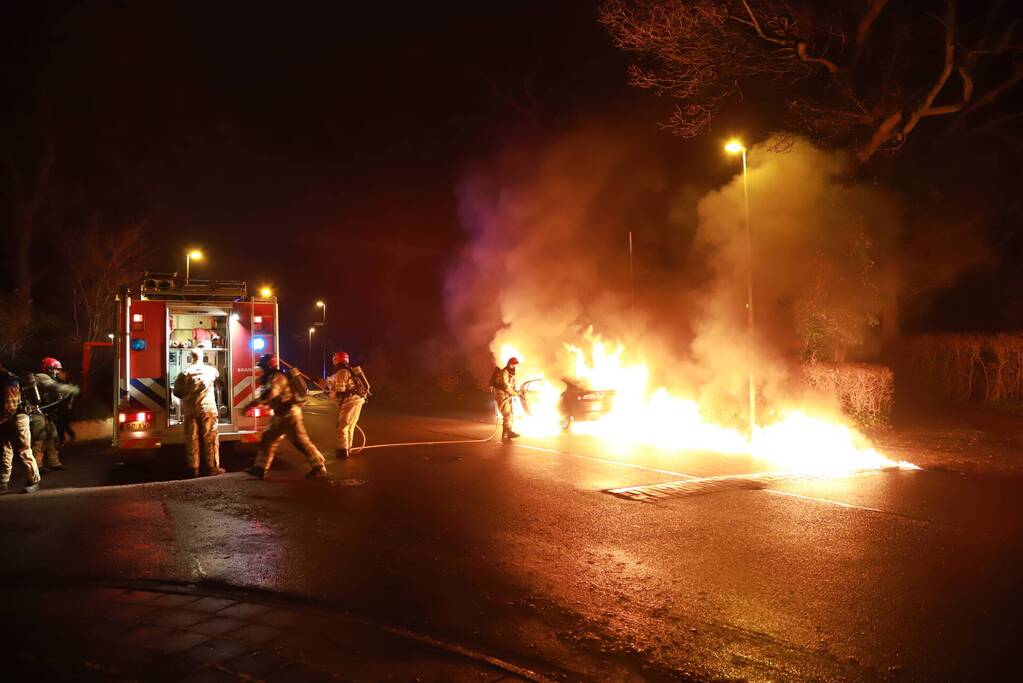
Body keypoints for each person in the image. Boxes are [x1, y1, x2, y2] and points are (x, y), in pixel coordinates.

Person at [244, 354, 327, 479]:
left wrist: (251, 404)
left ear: (268, 366)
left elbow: (269, 394)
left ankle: (319, 467)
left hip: (289, 415)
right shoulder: (272, 377)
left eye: (262, 368)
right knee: (267, 438)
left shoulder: (277, 377)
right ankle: (260, 468)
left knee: (302, 442)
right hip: (281, 415)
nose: (260, 371)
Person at [172, 350, 224, 477]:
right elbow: (218, 380)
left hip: (190, 410)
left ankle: (193, 468)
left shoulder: (184, 373)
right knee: (210, 438)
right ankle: (212, 467)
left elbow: (177, 392)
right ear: (203, 357)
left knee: (192, 438)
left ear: (191, 357)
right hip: (208, 409)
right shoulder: (212, 370)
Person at [32, 358, 80, 472]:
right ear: (48, 369)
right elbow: (55, 387)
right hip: (36, 412)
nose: (57, 372)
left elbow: (54, 393)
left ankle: (54, 463)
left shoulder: (48, 378)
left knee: (52, 437)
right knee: (39, 439)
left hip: (44, 412)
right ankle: (37, 466)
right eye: (55, 369)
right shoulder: (41, 377)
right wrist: (71, 389)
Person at [0, 360, 41, 493]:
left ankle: (34, 481)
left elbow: (10, 406)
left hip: (18, 418)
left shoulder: (9, 380)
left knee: (23, 450)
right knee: (5, 450)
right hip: (5, 419)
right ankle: (3, 482)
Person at [325, 351, 370, 459]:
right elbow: (331, 381)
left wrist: (329, 394)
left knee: (342, 427)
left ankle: (343, 451)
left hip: (350, 402)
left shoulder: (341, 373)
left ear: (336, 360)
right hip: (357, 400)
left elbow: (340, 393)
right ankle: (347, 449)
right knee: (349, 426)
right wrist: (318, 380)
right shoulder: (348, 371)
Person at [490, 357, 521, 440]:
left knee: (510, 414)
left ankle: (507, 433)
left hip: (507, 395)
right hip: (501, 395)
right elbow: (505, 385)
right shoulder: (504, 372)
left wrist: (517, 391)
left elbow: (513, 384)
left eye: (515, 365)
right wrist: (515, 393)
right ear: (509, 364)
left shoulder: (512, 373)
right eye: (513, 364)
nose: (514, 366)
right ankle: (507, 433)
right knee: (507, 414)